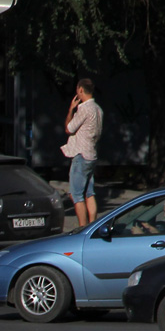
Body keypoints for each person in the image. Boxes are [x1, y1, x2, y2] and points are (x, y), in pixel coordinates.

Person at [61, 78, 103, 228]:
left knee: (76, 194)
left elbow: (69, 128)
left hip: (81, 155)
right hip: (92, 153)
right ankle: (93, 225)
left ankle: (82, 228)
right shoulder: (98, 109)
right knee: (89, 193)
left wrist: (71, 109)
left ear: (80, 90)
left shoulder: (84, 109)